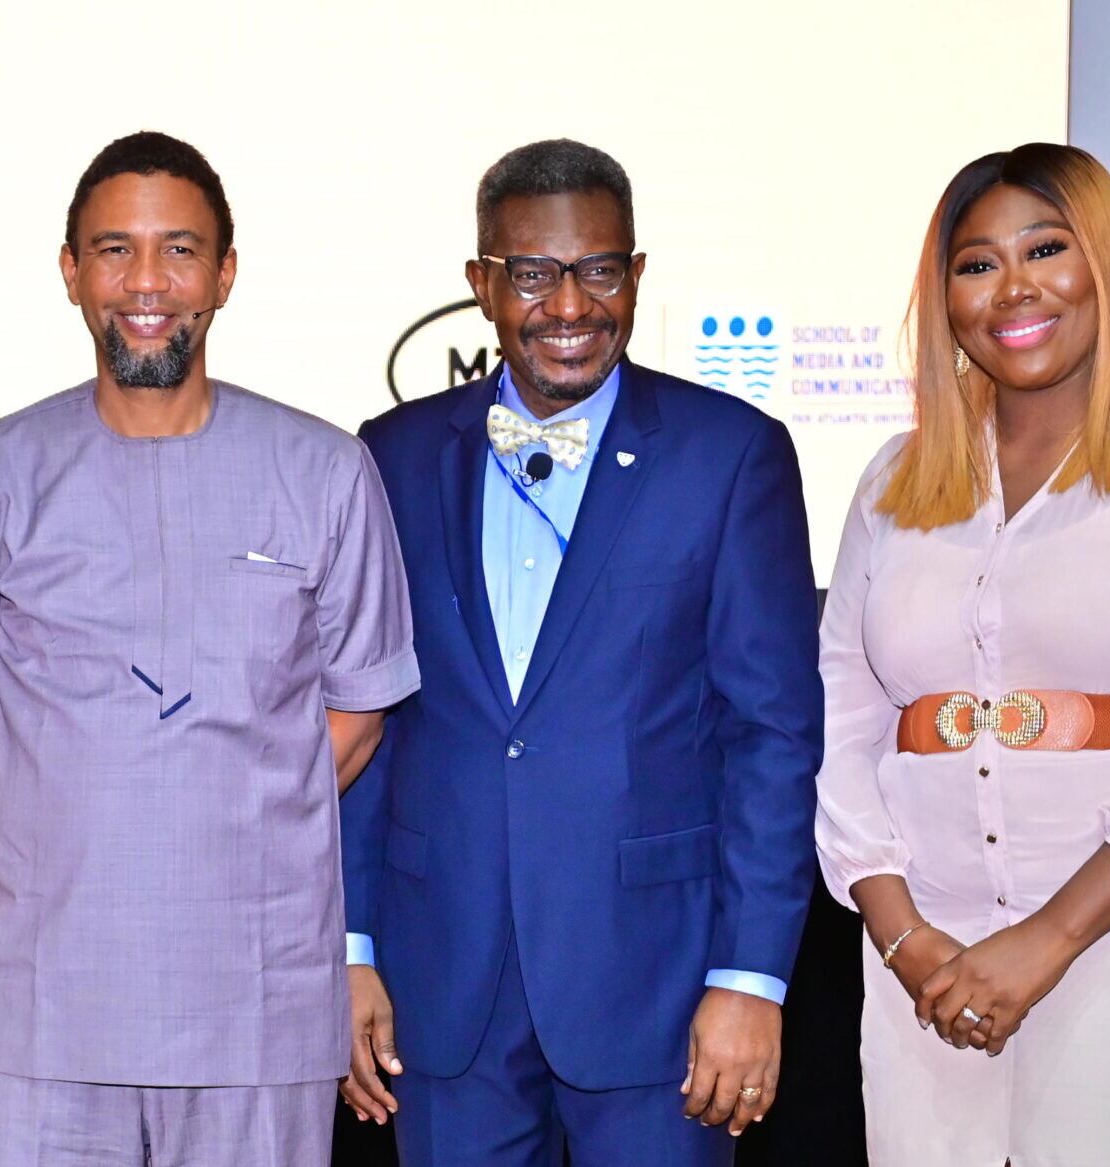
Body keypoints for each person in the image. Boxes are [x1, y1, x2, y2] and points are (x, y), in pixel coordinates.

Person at [0, 130, 420, 1165]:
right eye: (113, 250)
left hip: (256, 1005)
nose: (147, 282)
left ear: (224, 274)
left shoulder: (324, 471)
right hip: (48, 1006)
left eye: (179, 251)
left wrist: (235, 819)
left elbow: (359, 704)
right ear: (69, 272)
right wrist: (60, 849)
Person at [337, 139, 824, 1165]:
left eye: (599, 269)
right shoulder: (388, 456)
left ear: (635, 274)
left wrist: (749, 978)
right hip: (439, 984)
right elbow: (361, 724)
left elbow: (772, 735)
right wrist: (348, 947)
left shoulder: (729, 455)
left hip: (657, 985)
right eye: (532, 273)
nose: (569, 304)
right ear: (480, 285)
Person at [814, 143, 1110, 1166]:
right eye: (975, 262)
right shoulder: (889, 481)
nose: (1013, 287)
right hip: (925, 966)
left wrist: (1048, 939)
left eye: (1045, 248)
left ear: (1105, 265)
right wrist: (903, 939)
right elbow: (844, 719)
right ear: (944, 295)